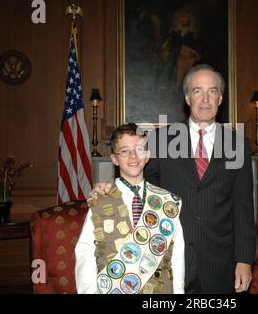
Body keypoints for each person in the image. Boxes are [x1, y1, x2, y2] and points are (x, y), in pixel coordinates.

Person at [91, 64, 256, 294]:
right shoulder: (161, 140)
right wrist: (110, 189)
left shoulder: (237, 145)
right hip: (168, 260)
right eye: (198, 91)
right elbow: (138, 185)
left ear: (220, 98)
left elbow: (244, 208)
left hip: (220, 263)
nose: (205, 98)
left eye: (213, 91)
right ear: (188, 97)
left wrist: (245, 260)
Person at [75, 123, 185, 294]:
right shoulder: (101, 200)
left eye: (139, 149)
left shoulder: (166, 203)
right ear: (114, 159)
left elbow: (177, 257)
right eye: (125, 151)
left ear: (147, 155)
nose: (133, 156)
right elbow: (85, 253)